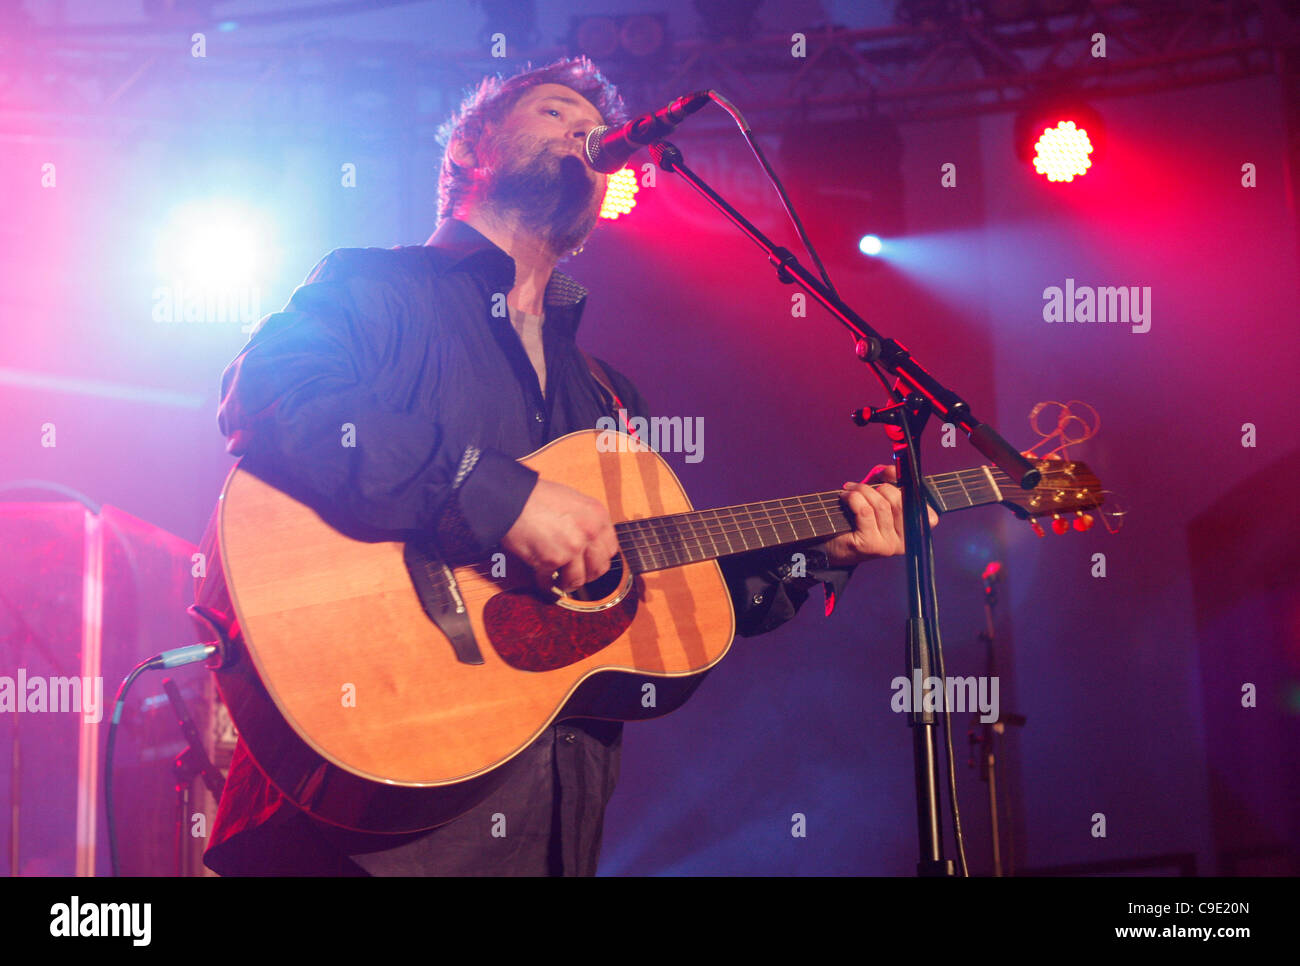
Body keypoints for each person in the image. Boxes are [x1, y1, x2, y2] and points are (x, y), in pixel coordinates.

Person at [195, 57, 927, 877]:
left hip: (549, 828)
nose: (584, 132)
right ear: (472, 150)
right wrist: (493, 496)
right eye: (553, 114)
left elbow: (667, 597)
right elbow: (270, 395)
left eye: (591, 126)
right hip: (350, 831)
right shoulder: (377, 286)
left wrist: (819, 550)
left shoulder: (608, 398)